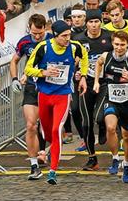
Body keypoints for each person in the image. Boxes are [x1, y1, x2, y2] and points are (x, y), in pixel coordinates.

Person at [24, 20, 87, 185]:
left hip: (63, 95)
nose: (68, 39)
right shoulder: (43, 48)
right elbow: (28, 69)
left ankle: (52, 171)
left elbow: (85, 55)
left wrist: (84, 76)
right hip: (44, 95)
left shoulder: (75, 47)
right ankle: (51, 151)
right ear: (55, 36)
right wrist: (43, 72)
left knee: (56, 129)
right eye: (64, 36)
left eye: (69, 35)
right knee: (46, 132)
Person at [93, 31, 128, 183]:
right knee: (110, 127)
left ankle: (127, 164)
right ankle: (115, 158)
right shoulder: (106, 56)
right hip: (111, 98)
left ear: (127, 44)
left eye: (122, 45)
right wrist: (97, 81)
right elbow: (98, 63)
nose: (119, 48)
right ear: (112, 43)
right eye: (116, 44)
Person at [72, 9, 113, 170]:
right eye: (91, 22)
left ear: (101, 22)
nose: (94, 25)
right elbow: (73, 59)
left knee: (98, 117)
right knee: (86, 123)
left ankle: (102, 125)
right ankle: (92, 158)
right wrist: (76, 71)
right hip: (85, 83)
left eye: (96, 21)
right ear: (86, 23)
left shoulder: (108, 37)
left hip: (105, 82)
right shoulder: (79, 39)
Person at [10, 14, 49, 180]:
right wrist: (14, 79)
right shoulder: (25, 41)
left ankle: (46, 152)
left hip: (51, 88)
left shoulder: (53, 40)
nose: (37, 37)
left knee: (50, 127)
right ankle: (34, 165)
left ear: (45, 28)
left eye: (40, 33)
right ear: (29, 28)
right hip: (32, 87)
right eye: (34, 33)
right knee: (31, 125)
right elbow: (14, 61)